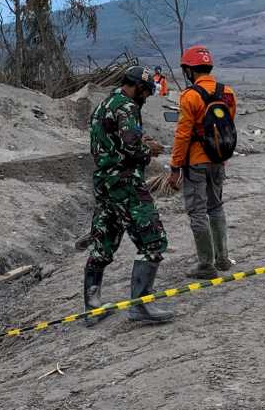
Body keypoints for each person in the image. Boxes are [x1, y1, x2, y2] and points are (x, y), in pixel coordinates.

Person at [84, 66, 174, 324]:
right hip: (126, 184)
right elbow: (131, 147)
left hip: (105, 184)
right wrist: (150, 151)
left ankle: (92, 308)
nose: (146, 97)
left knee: (103, 242)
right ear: (135, 87)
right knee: (153, 240)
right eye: (145, 91)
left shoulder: (106, 104)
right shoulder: (127, 108)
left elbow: (113, 141)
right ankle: (140, 305)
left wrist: (140, 143)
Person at [168, 45, 237, 278]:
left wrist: (175, 166)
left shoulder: (190, 96)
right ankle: (223, 259)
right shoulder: (227, 92)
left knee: (197, 211)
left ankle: (206, 265)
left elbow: (183, 134)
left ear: (189, 70)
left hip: (195, 162)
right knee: (216, 207)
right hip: (218, 160)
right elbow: (227, 127)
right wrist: (222, 157)